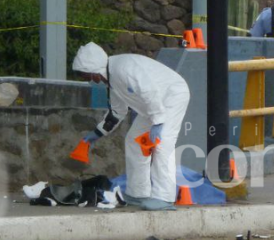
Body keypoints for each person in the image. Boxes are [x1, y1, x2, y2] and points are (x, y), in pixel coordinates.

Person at [72, 43, 190, 210]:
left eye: (88, 76)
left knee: (162, 144)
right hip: (152, 106)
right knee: (133, 141)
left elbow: (149, 91)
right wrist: (96, 133)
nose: (90, 81)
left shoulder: (123, 69)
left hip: (171, 95)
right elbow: (117, 112)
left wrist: (158, 121)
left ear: (95, 70)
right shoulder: (112, 81)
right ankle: (138, 193)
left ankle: (164, 197)